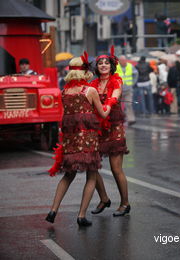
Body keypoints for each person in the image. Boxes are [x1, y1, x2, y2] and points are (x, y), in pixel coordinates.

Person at [46, 55, 111, 226]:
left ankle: (53, 210)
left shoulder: (64, 92)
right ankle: (81, 215)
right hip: (88, 141)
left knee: (68, 175)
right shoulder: (90, 91)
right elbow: (103, 113)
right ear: (84, 72)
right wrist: (110, 103)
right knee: (92, 175)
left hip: (70, 141)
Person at [90, 47, 131, 217]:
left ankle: (125, 203)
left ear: (112, 65)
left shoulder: (117, 81)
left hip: (114, 128)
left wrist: (107, 104)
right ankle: (104, 198)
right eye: (100, 62)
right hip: (97, 129)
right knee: (91, 166)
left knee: (116, 169)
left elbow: (114, 96)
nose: (104, 65)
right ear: (96, 67)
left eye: (107, 62)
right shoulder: (92, 84)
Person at [116, 55, 138, 126]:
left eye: (124, 60)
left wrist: (133, 83)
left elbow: (136, 74)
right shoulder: (116, 67)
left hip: (128, 89)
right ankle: (120, 119)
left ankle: (131, 119)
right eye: (121, 60)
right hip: (119, 90)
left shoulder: (130, 66)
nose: (123, 62)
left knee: (129, 104)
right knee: (117, 105)